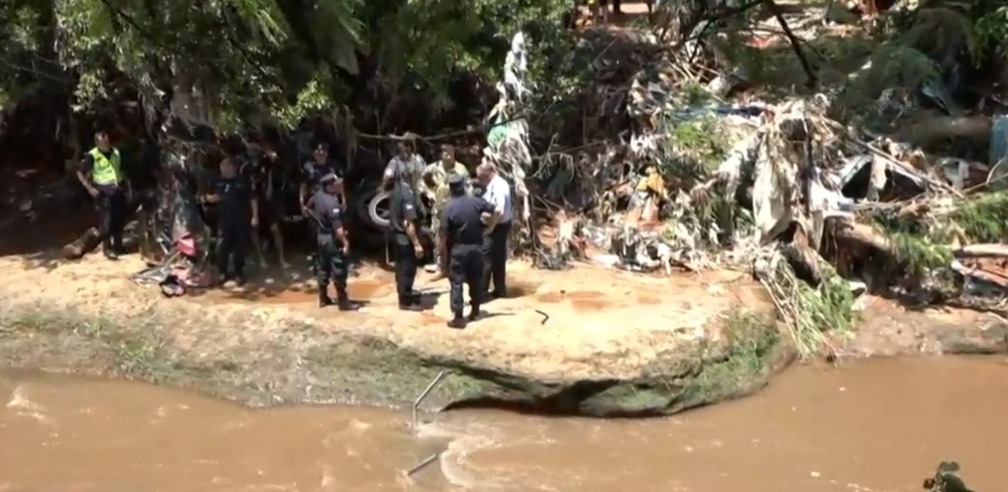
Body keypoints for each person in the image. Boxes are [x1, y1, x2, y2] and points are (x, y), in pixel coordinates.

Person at [439, 174, 499, 328]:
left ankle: (458, 317)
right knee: (475, 280)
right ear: (463, 186)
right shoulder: (475, 201)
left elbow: (443, 236)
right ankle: (475, 311)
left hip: (459, 249)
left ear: (451, 189)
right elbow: (496, 209)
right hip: (477, 247)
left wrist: (443, 256)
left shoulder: (448, 208)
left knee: (457, 282)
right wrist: (490, 226)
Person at [77, 129, 131, 260]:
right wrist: (89, 188)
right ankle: (107, 248)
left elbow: (122, 170)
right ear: (97, 143)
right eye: (102, 142)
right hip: (103, 190)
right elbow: (80, 173)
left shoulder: (116, 153)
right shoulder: (92, 155)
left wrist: (128, 188)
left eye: (107, 141)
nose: (106, 144)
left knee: (119, 219)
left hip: (118, 189)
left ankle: (118, 245)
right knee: (106, 221)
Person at [203, 158, 258, 286]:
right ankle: (223, 272)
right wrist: (212, 199)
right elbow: (206, 197)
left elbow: (253, 198)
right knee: (223, 246)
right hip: (224, 219)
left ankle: (239, 272)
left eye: (227, 167)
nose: (224, 170)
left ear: (233, 168)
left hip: (241, 219)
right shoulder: (217, 182)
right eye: (222, 167)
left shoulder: (243, 181)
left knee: (240, 247)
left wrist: (255, 216)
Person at [307, 174, 356, 310]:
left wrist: (318, 221)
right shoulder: (331, 203)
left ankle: (323, 298)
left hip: (321, 237)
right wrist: (345, 243)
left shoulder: (318, 195)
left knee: (323, 267)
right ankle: (343, 301)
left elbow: (308, 207)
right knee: (338, 269)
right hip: (333, 239)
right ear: (329, 186)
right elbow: (339, 229)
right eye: (337, 184)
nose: (340, 186)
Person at [421, 144, 470, 273]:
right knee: (438, 237)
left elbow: (468, 188)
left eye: (451, 153)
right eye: (445, 153)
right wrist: (429, 193)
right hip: (439, 208)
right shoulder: (433, 168)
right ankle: (440, 266)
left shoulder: (461, 169)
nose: (448, 156)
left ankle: (459, 266)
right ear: (441, 155)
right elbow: (421, 181)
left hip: (456, 208)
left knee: (458, 237)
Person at [475, 161, 513, 300]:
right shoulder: (494, 184)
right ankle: (499, 289)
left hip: (497, 226)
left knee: (486, 257)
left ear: (489, 174)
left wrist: (490, 227)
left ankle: (483, 292)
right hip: (499, 224)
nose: (480, 181)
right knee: (498, 257)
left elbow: (499, 210)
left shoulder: (498, 186)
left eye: (481, 178)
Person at [387, 177, 425, 311]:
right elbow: (408, 222)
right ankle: (405, 300)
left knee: (401, 268)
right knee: (407, 270)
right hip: (405, 238)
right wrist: (416, 243)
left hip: (397, 236)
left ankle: (405, 292)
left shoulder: (397, 189)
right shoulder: (407, 194)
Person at [250, 148, 290, 269]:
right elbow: (251, 188)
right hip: (255, 202)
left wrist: (274, 156)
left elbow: (281, 167)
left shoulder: (269, 165)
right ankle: (261, 259)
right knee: (255, 231)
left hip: (269, 203)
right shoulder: (249, 168)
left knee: (275, 230)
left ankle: (281, 259)